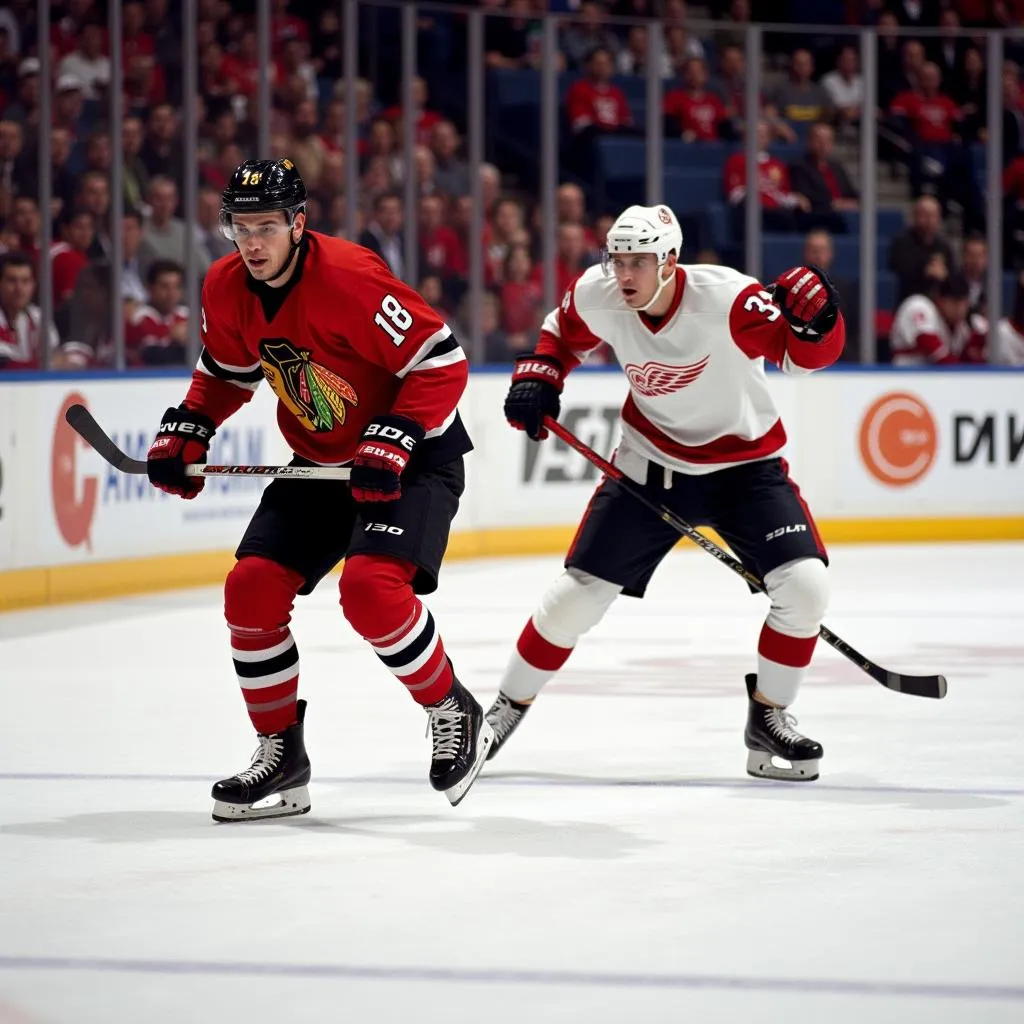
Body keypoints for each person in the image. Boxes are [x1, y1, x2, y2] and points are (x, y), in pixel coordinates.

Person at [144, 159, 493, 821]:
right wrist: (192, 425)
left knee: (369, 590)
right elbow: (225, 371)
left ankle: (451, 708)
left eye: (267, 226)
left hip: (414, 457)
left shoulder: (349, 277)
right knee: (249, 589)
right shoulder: (225, 285)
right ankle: (282, 756)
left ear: (298, 224)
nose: (252, 242)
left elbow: (442, 360)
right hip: (323, 458)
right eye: (240, 227)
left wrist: (394, 433)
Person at [487, 204, 846, 782]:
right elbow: (560, 334)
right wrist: (542, 374)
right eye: (617, 259)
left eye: (639, 261)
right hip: (651, 464)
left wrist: (821, 322)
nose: (624, 273)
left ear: (671, 261)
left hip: (745, 470)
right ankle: (505, 706)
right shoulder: (600, 293)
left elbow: (805, 361)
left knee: (805, 588)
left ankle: (770, 715)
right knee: (575, 596)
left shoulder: (728, 299)